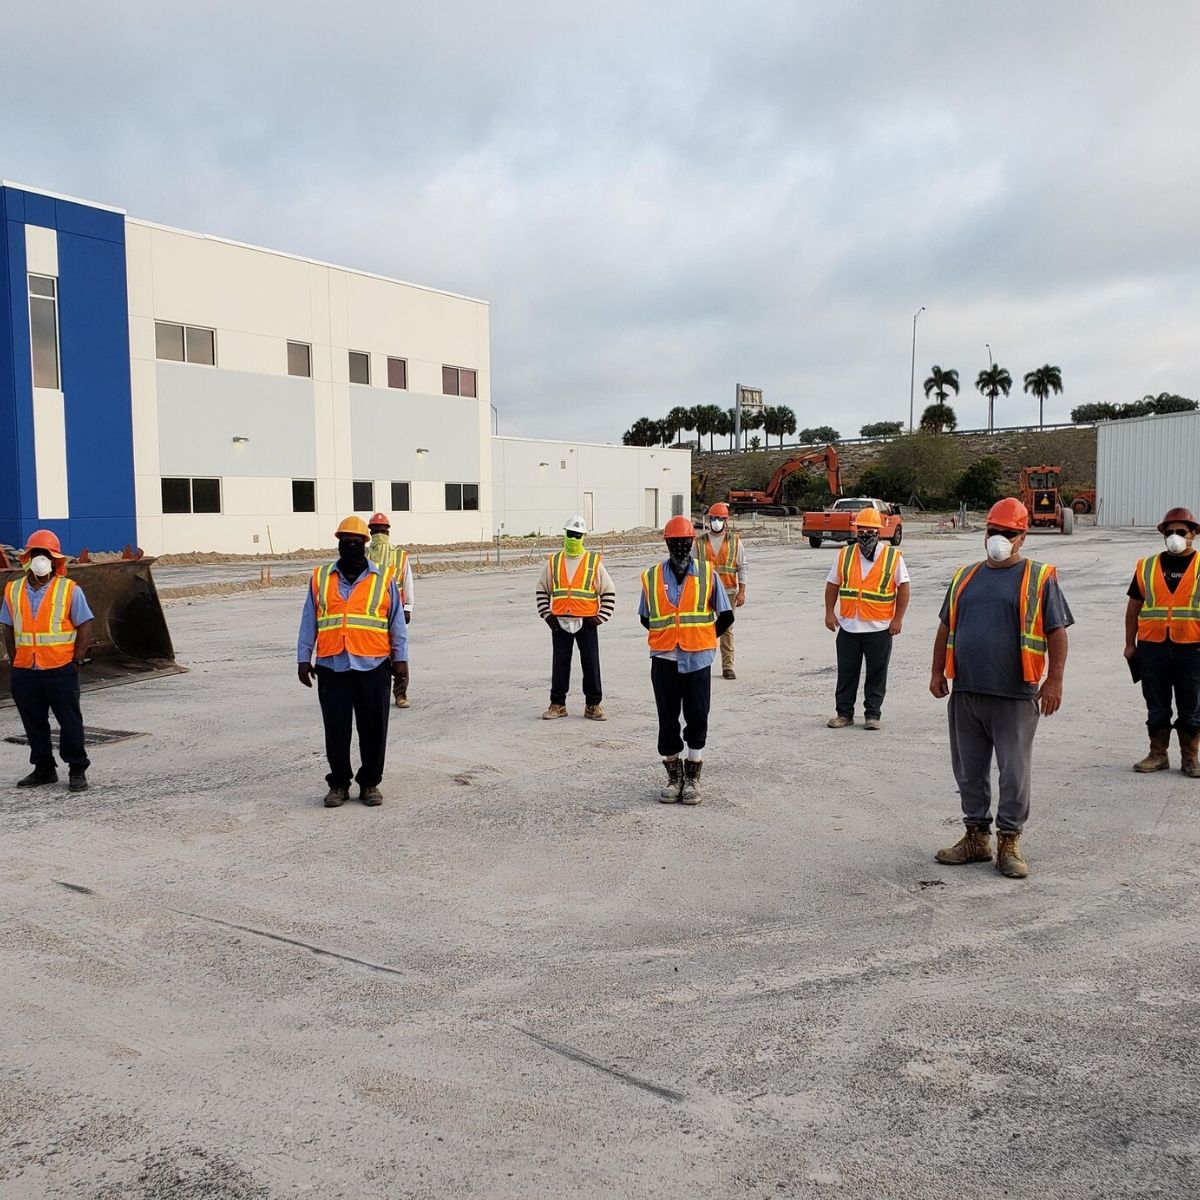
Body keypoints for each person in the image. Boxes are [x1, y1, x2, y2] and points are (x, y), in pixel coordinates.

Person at [929, 498, 1072, 879]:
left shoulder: (1039, 577)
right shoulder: (965, 577)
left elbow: (1057, 632)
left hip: (1015, 694)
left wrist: (1054, 680)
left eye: (1008, 533)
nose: (999, 538)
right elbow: (945, 626)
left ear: (1023, 537)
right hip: (967, 691)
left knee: (1014, 771)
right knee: (968, 770)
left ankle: (1009, 840)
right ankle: (976, 837)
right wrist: (937, 672)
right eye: (994, 531)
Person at [297, 516, 408, 808]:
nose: (351, 546)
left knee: (374, 729)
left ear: (365, 544)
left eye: (357, 542)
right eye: (346, 541)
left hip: (373, 664)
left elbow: (396, 622)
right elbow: (309, 619)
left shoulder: (383, 578)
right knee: (336, 730)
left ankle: (370, 783)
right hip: (332, 665)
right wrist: (303, 658)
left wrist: (401, 659)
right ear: (338, 544)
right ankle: (339, 784)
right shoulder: (321, 577)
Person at [639, 515, 734, 804]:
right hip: (665, 658)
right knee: (667, 718)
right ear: (667, 543)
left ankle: (693, 775)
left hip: (698, 659)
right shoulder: (653, 576)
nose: (680, 545)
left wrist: (704, 637)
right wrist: (669, 636)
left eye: (684, 541)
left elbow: (726, 615)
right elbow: (646, 617)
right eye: (675, 541)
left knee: (697, 715)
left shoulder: (707, 573)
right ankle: (673, 776)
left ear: (691, 542)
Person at [0, 531, 95, 792]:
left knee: (69, 721)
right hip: (25, 670)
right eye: (36, 554)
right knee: (33, 722)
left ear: (54, 560)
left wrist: (77, 660)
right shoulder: (13, 589)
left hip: (60, 668)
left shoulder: (69, 589)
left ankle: (77, 768)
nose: (40, 559)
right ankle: (43, 768)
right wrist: (15, 660)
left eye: (46, 554)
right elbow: (8, 627)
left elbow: (85, 625)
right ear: (27, 558)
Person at [1125, 507, 1200, 778]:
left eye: (1181, 532)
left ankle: (1190, 757)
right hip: (1152, 647)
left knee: (1191, 706)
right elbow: (1133, 608)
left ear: (1193, 534)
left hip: (1192, 648)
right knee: (1156, 705)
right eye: (1169, 533)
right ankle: (1158, 754)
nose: (1174, 537)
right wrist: (1129, 644)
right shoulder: (1147, 566)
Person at [823, 508, 910, 730]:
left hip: (879, 628)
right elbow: (833, 584)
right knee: (846, 674)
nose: (865, 535)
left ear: (879, 532)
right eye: (861, 530)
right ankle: (844, 714)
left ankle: (873, 714)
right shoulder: (845, 554)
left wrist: (898, 619)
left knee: (876, 674)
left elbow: (904, 588)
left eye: (870, 531)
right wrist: (829, 612)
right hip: (849, 626)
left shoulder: (892, 557)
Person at [535, 515, 615, 720]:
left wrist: (600, 617)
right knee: (560, 664)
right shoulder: (554, 562)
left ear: (583, 537)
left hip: (587, 622)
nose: (573, 538)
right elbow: (542, 590)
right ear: (565, 534)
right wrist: (547, 615)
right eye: (570, 534)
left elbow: (608, 591)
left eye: (577, 535)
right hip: (559, 622)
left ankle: (593, 705)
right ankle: (557, 704)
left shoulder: (593, 563)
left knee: (591, 664)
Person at [366, 511, 416, 709]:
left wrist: (408, 607)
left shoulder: (399, 556)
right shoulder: (365, 556)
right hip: (372, 614)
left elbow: (407, 581)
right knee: (374, 655)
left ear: (387, 532)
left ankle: (400, 694)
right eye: (375, 530)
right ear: (370, 533)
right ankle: (376, 693)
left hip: (395, 612)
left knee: (398, 654)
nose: (379, 534)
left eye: (381, 530)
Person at [695, 502, 746, 679]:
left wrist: (742, 591)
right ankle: (700, 665)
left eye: (720, 519)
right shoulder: (699, 543)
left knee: (727, 630)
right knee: (702, 629)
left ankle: (728, 667)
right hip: (705, 593)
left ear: (726, 521)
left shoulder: (735, 542)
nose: (716, 522)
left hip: (728, 592)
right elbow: (692, 568)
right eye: (714, 518)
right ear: (709, 520)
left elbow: (742, 566)